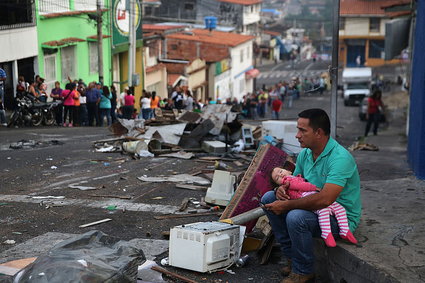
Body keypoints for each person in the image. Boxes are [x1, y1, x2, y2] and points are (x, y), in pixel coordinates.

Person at [261, 108, 361, 283]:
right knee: (269, 198)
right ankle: (292, 257)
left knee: (295, 216)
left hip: (338, 217)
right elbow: (295, 182)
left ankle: (303, 271)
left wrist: (285, 205)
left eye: (302, 130)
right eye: (298, 130)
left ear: (319, 133)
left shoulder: (340, 158)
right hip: (314, 210)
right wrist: (282, 190)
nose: (297, 135)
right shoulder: (305, 153)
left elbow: (325, 199)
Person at [270, 167, 358, 247]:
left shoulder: (294, 177)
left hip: (314, 196)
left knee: (339, 208)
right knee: (323, 210)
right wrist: (315, 188)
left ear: (289, 170)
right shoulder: (287, 180)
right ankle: (326, 233)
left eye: (280, 171)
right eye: (277, 178)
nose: (280, 175)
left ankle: (345, 230)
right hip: (306, 197)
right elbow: (301, 186)